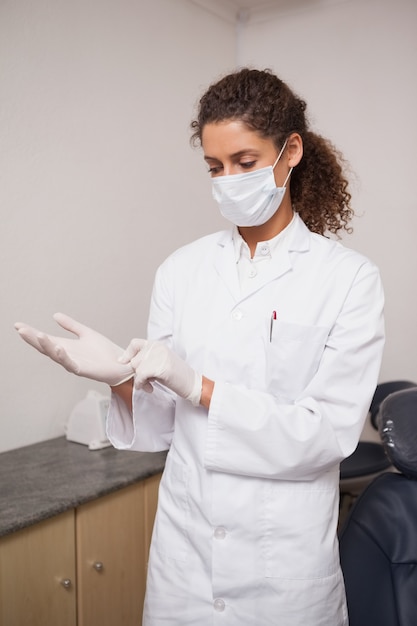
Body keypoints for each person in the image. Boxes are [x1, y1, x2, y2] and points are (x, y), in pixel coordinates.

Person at [15, 68, 385, 625]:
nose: (228, 180)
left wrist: (200, 385)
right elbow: (164, 425)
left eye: (245, 162)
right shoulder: (181, 271)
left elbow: (326, 434)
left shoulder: (348, 280)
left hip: (282, 571)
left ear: (291, 152)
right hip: (185, 562)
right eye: (215, 167)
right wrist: (117, 377)